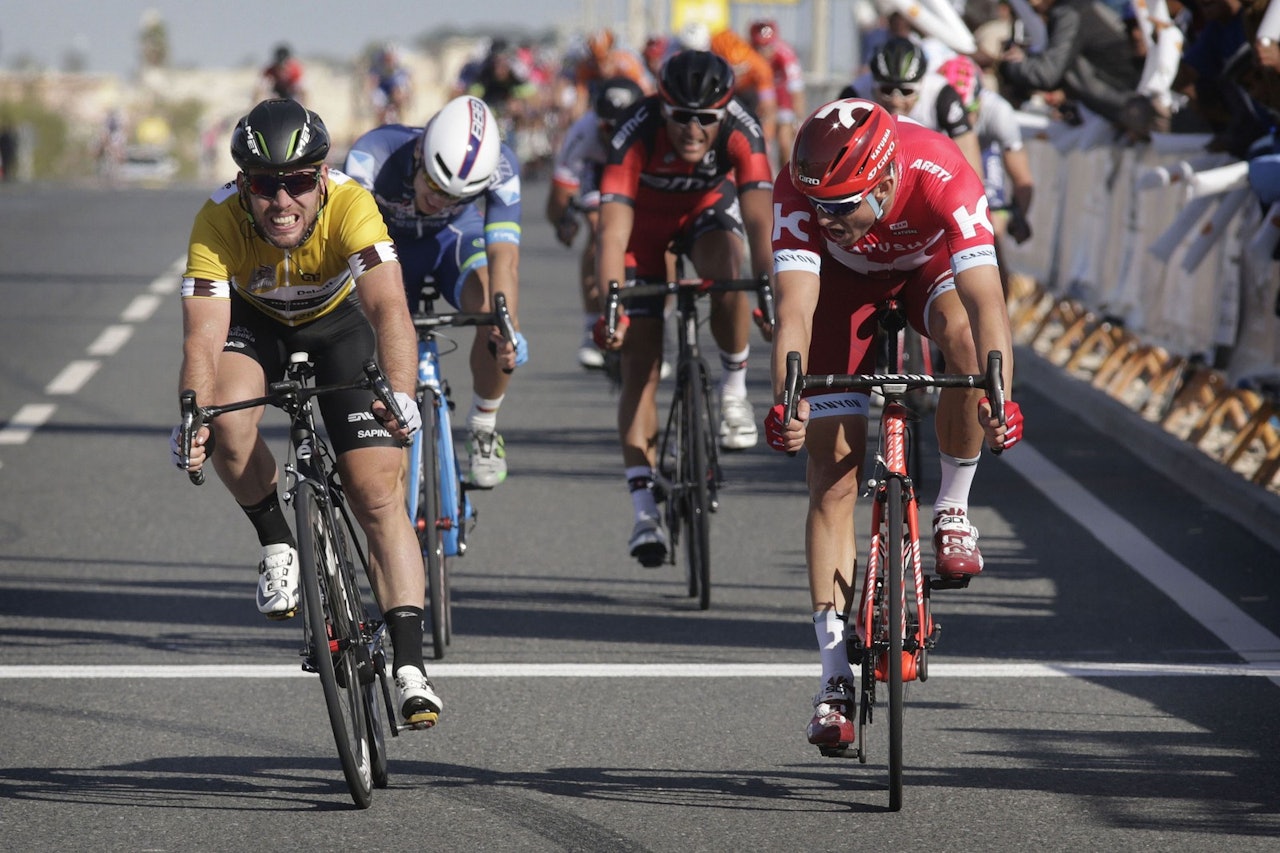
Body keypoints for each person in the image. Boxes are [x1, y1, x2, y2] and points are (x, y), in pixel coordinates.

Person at [764, 98, 1024, 753]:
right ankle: (830, 680)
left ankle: (954, 506)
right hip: (840, 293)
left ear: (883, 183)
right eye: (818, 207)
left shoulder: (943, 170)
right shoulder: (801, 184)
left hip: (924, 272)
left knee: (963, 344)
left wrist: (1000, 397)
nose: (828, 218)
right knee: (832, 477)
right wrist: (787, 398)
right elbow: (795, 308)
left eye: (842, 207)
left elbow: (988, 300)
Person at [171, 99, 441, 728]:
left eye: (297, 181)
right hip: (255, 325)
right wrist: (192, 414)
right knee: (228, 424)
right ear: (244, 185)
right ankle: (277, 541)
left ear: (322, 177)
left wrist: (399, 394)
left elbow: (389, 311)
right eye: (266, 185)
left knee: (375, 492)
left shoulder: (352, 205)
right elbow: (202, 340)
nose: (282, 200)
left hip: (339, 326)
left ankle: (409, 665)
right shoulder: (215, 220)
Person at [594, 50, 774, 565]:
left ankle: (734, 390)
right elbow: (611, 233)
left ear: (723, 114)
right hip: (641, 234)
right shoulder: (635, 129)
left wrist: (766, 291)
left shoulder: (744, 128)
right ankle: (644, 509)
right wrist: (613, 307)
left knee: (729, 264)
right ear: (662, 108)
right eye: (681, 118)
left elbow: (762, 224)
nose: (693, 130)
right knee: (640, 367)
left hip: (705, 218)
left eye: (706, 120)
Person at [344, 94, 526, 490]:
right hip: (386, 247)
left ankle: (483, 424)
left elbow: (504, 259)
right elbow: (347, 245)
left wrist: (506, 324)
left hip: (453, 243)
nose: (441, 200)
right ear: (419, 156)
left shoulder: (505, 166)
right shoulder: (372, 153)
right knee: (368, 324)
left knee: (496, 310)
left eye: (458, 197)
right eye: (436, 185)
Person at [546, 77, 647, 370]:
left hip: (639, 168)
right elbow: (559, 196)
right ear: (596, 120)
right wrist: (562, 223)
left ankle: (658, 325)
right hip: (600, 173)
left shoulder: (651, 127)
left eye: (622, 126)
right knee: (600, 231)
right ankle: (594, 325)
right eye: (607, 127)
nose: (614, 134)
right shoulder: (583, 132)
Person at [936, 54, 1036, 295]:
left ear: (979, 100)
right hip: (941, 160)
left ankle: (996, 308)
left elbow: (1022, 179)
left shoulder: (998, 112)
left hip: (984, 161)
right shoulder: (935, 104)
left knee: (989, 233)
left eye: (967, 112)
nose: (960, 121)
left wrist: (1019, 217)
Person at [843, 37, 985, 181]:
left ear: (921, 85)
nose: (895, 100)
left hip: (931, 169)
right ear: (873, 85)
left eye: (906, 92)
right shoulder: (855, 96)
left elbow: (969, 158)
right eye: (886, 90)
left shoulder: (941, 94)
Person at [749, 19, 807, 167]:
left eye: (767, 46)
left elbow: (796, 89)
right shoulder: (748, 54)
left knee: (784, 142)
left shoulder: (785, 55)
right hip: (760, 102)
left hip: (783, 101)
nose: (763, 51)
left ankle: (784, 175)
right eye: (759, 47)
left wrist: (798, 117)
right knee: (761, 143)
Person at [366, 42, 413, 127]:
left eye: (391, 58)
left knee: (399, 95)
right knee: (378, 104)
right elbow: (372, 83)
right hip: (382, 87)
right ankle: (379, 126)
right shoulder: (377, 67)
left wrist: (407, 98)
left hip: (395, 86)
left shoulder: (401, 69)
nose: (389, 61)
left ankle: (401, 122)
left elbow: (407, 83)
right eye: (387, 58)